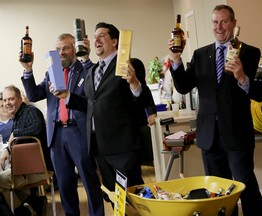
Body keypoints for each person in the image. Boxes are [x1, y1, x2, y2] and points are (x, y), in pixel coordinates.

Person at [168, 5, 262, 216]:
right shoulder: (200, 54)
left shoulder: (250, 53)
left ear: (233, 23)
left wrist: (241, 76)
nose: (219, 27)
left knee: (245, 187)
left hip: (237, 135)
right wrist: (176, 59)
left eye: (223, 21)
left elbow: (258, 93)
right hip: (208, 137)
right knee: (218, 193)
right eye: (215, 22)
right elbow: (184, 86)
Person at [53, 22, 154, 199]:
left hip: (123, 148)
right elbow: (90, 104)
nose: (96, 39)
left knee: (132, 199)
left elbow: (143, 99)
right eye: (95, 36)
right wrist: (67, 96)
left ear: (115, 41)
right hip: (99, 148)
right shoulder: (92, 71)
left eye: (102, 35)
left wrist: (134, 83)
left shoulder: (129, 64)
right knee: (113, 198)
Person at [20, 33, 104, 216]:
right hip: (57, 135)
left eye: (65, 48)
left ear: (74, 49)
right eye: (57, 49)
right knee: (65, 185)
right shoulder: (52, 71)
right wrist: (28, 69)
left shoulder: (85, 70)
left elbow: (91, 103)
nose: (61, 53)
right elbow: (34, 95)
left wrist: (68, 96)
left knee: (89, 181)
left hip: (79, 132)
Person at [0, 85, 48, 215]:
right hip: (26, 169)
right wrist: (7, 150)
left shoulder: (30, 111)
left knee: (0, 181)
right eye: (4, 100)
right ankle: (34, 203)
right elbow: (13, 143)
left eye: (11, 99)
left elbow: (37, 128)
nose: (7, 103)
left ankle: (23, 211)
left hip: (38, 169)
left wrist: (15, 134)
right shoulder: (17, 117)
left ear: (20, 99)